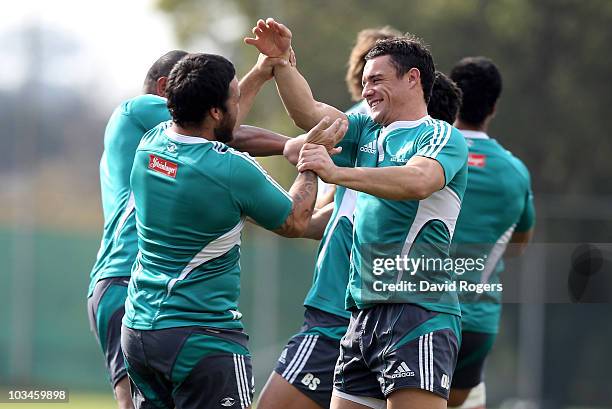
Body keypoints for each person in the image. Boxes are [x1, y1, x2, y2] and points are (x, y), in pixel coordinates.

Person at [246, 18, 468, 409]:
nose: (366, 90)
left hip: (417, 313)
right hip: (361, 313)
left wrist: (336, 173)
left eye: (376, 80)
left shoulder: (439, 135)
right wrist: (283, 64)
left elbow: (419, 180)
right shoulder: (366, 128)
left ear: (412, 79)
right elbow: (310, 113)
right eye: (364, 80)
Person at [120, 52, 347, 409]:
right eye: (234, 98)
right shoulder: (229, 169)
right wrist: (311, 160)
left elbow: (221, 130)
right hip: (201, 339)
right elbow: (295, 220)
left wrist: (261, 71)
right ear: (214, 110)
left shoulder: (152, 142)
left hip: (140, 332)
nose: (239, 104)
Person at [447, 57, 535, 409]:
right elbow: (517, 245)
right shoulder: (515, 171)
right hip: (476, 323)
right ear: (494, 107)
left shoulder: (425, 156)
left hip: (417, 315)